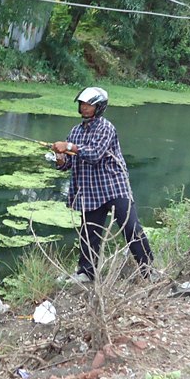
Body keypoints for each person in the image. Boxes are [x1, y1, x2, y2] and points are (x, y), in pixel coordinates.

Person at [52, 87, 153, 282]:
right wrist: (60, 158)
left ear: (99, 107)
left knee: (131, 227)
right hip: (90, 191)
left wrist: (70, 147)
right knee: (89, 233)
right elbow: (68, 165)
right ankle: (86, 273)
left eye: (89, 104)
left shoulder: (106, 128)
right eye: (82, 104)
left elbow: (95, 154)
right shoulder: (75, 131)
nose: (84, 108)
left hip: (114, 187)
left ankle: (148, 270)